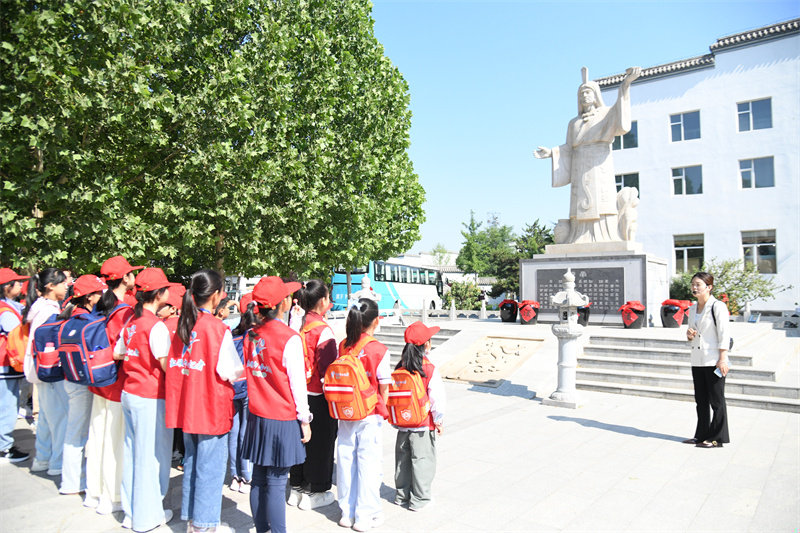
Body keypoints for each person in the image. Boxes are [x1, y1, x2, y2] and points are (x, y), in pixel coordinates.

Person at [166, 269, 243, 533]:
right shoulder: (217, 329)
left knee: (192, 462)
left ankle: (192, 519)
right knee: (210, 468)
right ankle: (205, 524)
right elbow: (231, 371)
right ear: (216, 296)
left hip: (188, 405)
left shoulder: (184, 324)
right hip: (211, 405)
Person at [534, 66, 641, 244]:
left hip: (599, 162)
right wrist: (551, 152)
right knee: (580, 201)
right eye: (581, 93)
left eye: (588, 92)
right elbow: (568, 148)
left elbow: (621, 120)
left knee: (602, 199)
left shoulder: (606, 114)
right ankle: (577, 235)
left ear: (596, 95)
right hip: (579, 165)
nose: (584, 96)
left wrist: (625, 85)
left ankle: (606, 234)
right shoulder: (573, 123)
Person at [242, 276, 311, 533]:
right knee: (277, 482)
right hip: (281, 417)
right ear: (283, 303)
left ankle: (262, 529)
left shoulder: (251, 334)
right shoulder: (289, 338)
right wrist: (305, 419)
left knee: (259, 479)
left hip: (257, 414)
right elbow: (297, 384)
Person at [115, 268, 173, 531]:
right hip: (150, 395)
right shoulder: (155, 326)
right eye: (166, 288)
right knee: (152, 456)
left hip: (130, 391)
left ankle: (131, 512)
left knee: (133, 453)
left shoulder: (132, 322)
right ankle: (148, 516)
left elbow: (118, 353)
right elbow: (165, 364)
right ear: (159, 294)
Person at [82, 257, 139, 514]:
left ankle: (93, 492)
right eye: (131, 273)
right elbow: (122, 348)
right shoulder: (125, 310)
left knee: (97, 437)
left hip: (98, 380)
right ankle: (112, 496)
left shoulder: (100, 306)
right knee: (115, 441)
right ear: (125, 278)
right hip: (117, 381)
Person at [336, 298, 391, 532]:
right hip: (370, 413)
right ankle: (366, 515)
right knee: (369, 464)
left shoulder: (343, 345)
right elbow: (384, 388)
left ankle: (346, 513)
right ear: (376, 321)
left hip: (346, 412)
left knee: (346, 461)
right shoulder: (379, 350)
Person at [288, 280, 338, 510]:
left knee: (301, 441)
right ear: (322, 301)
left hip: (297, 392)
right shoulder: (323, 330)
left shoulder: (297, 323)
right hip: (318, 394)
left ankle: (296, 487)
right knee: (321, 444)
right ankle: (315, 491)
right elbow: (328, 370)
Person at [58, 275, 108, 496]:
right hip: (83, 383)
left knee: (74, 429)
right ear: (89, 297)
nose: (101, 296)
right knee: (78, 432)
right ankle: (71, 482)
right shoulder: (90, 322)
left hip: (69, 377)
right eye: (98, 293)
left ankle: (72, 478)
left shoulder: (68, 318)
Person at [393, 321, 446, 512]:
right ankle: (420, 499)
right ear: (427, 345)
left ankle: (402, 496)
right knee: (422, 460)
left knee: (403, 460)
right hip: (422, 424)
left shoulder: (400, 366)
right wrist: (438, 420)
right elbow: (436, 398)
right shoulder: (428, 368)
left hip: (403, 423)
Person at [23, 268, 70, 476]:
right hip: (50, 369)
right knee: (59, 418)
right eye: (63, 283)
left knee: (46, 417)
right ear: (51, 286)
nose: (66, 286)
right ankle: (57, 463)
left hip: (39, 368)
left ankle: (42, 458)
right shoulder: (48, 311)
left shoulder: (39, 307)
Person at [685, 271, 731, 448]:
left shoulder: (717, 306)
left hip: (714, 360)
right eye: (693, 284)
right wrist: (689, 335)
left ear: (709, 287)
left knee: (717, 401)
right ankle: (701, 435)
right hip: (697, 359)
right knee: (701, 401)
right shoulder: (692, 308)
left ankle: (717, 438)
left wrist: (723, 359)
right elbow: (692, 333)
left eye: (698, 284)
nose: (694, 287)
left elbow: (724, 334)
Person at [0, 268, 31, 463]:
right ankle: (4, 447)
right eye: (17, 283)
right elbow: (15, 332)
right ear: (6, 287)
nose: (20, 285)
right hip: (5, 363)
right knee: (7, 406)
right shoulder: (5, 311)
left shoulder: (8, 307)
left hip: (5, 364)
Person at [228, 293, 256, 495]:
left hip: (232, 386)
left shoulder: (232, 332)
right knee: (246, 431)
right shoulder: (253, 335)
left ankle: (234, 475)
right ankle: (247, 475)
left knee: (234, 431)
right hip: (247, 386)